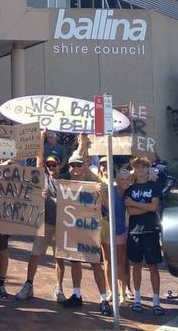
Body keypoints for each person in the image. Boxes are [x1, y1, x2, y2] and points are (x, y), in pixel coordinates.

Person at [15, 129, 67, 302]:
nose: (51, 167)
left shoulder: (67, 180)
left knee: (59, 257)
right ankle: (28, 285)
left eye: (54, 164)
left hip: (61, 225)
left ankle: (59, 288)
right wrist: (42, 136)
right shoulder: (43, 177)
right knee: (35, 254)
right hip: (45, 223)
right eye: (49, 165)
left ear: (60, 164)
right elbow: (39, 158)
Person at [62, 140, 111, 315]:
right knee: (75, 261)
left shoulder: (94, 182)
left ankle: (104, 299)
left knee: (95, 264)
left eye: (78, 164)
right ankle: (76, 294)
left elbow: (107, 205)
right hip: (74, 228)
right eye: (72, 165)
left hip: (92, 230)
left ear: (84, 166)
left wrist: (103, 193)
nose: (75, 167)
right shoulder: (66, 183)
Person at [126, 156, 164, 315]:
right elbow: (131, 211)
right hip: (135, 231)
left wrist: (135, 203)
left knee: (153, 266)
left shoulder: (154, 186)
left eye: (143, 167)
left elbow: (154, 207)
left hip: (151, 230)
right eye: (137, 167)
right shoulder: (129, 188)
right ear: (133, 169)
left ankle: (156, 301)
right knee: (136, 265)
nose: (140, 169)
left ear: (148, 169)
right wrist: (146, 207)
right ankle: (137, 299)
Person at [101, 169, 132, 307]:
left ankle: (122, 294)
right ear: (117, 180)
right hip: (107, 229)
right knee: (107, 262)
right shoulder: (109, 190)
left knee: (120, 263)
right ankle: (111, 291)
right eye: (122, 179)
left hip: (121, 231)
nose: (124, 182)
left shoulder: (131, 192)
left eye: (127, 179)